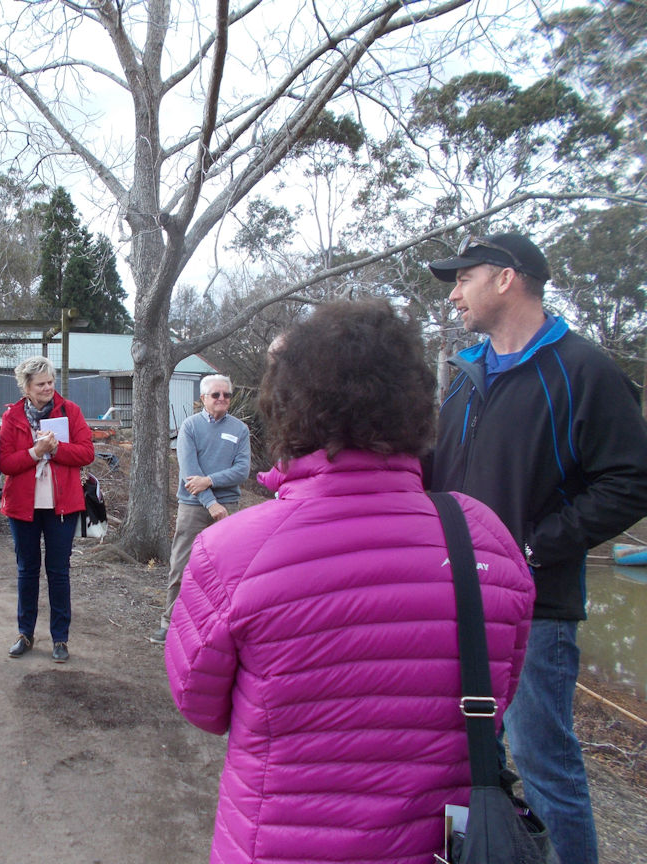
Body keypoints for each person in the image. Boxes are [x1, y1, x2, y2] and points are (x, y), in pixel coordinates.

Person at [165, 299, 535, 864]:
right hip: (435, 844)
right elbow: (498, 694)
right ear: (415, 405)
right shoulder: (484, 539)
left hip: (278, 843)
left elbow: (199, 703)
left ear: (288, 409)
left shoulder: (234, 551)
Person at [428, 232, 647, 864]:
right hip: (457, 604)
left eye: (463, 278)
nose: (454, 294)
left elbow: (632, 478)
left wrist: (533, 547)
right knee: (468, 761)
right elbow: (435, 470)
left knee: (544, 765)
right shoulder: (466, 377)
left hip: (535, 609)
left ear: (506, 278)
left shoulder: (583, 370)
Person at [0, 356, 95, 663]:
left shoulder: (70, 411)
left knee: (58, 572)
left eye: (51, 382)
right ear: (26, 387)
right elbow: (5, 463)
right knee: (27, 570)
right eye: (40, 384)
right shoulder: (13, 417)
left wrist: (56, 449)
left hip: (61, 507)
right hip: (23, 507)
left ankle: (60, 639)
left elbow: (87, 452)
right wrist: (34, 452)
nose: (47, 388)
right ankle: (24, 633)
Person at [149, 374, 249, 645]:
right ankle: (168, 623)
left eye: (226, 395)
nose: (221, 399)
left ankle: (218, 627)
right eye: (215, 395)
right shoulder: (190, 427)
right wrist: (211, 502)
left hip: (228, 507)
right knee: (181, 566)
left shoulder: (240, 430)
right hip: (194, 507)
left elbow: (242, 470)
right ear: (203, 398)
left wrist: (212, 481)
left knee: (225, 570)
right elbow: (189, 472)